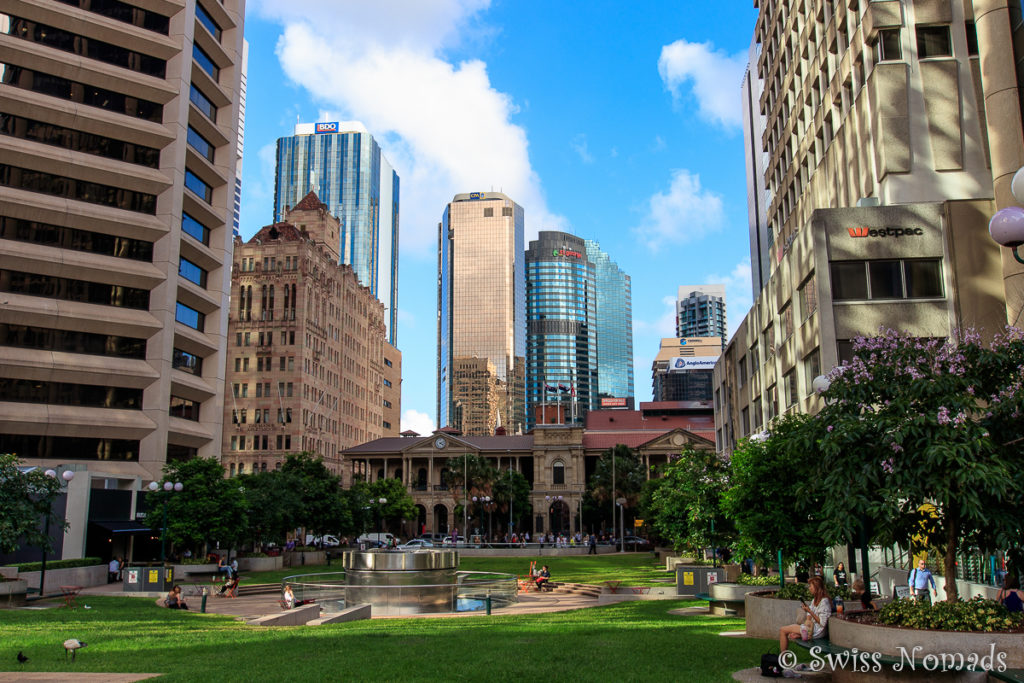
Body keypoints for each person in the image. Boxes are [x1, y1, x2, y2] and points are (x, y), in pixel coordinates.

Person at [779, 576, 830, 651]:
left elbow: (822, 623)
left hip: (817, 631)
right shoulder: (814, 600)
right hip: (810, 629)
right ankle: (800, 635)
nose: (809, 588)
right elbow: (809, 618)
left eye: (811, 587)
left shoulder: (824, 602)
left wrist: (809, 611)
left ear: (817, 588)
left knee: (783, 630)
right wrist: (807, 611)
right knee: (790, 632)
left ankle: (783, 660)